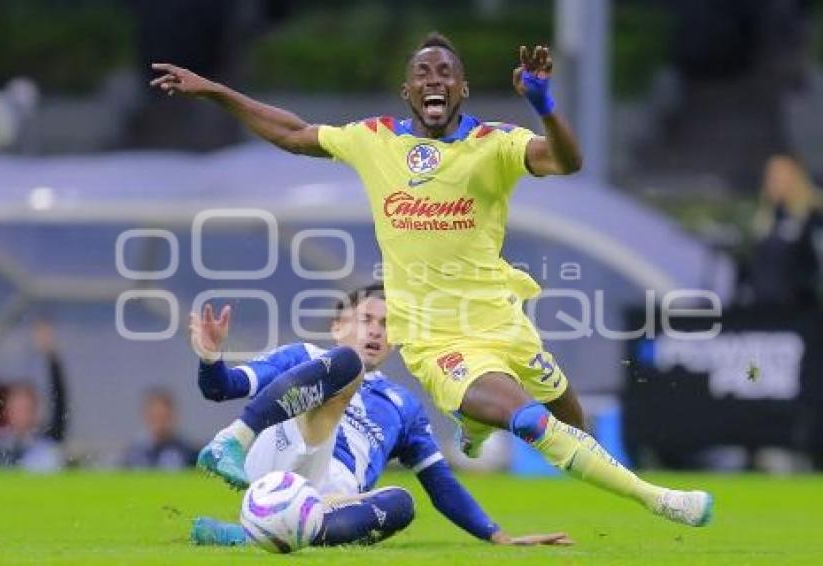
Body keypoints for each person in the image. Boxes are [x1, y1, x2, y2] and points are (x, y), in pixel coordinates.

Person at [152, 32, 712, 526]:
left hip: (501, 319)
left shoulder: (493, 143)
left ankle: (474, 427)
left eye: (445, 72)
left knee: (573, 417)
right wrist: (216, 91)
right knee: (531, 419)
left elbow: (565, 161)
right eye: (423, 72)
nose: (434, 79)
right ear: (408, 92)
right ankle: (658, 499)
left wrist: (545, 108)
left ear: (462, 89)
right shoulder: (374, 139)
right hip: (435, 339)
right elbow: (293, 132)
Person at [190, 284, 571, 547]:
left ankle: (255, 534)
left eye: (388, 325)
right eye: (366, 319)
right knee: (346, 366)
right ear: (338, 326)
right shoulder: (303, 356)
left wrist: (496, 535)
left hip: (330, 500)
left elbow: (439, 482)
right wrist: (210, 358)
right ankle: (231, 442)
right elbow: (221, 387)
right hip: (276, 460)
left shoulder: (404, 404)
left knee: (402, 502)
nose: (376, 331)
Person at [745, 154, 823, 309]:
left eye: (781, 177)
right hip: (763, 308)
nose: (774, 183)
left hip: (800, 309)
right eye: (771, 177)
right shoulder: (766, 219)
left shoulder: (812, 216)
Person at [0, 321, 67, 472]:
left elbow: (61, 403)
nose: (20, 413)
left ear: (34, 411)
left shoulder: (46, 441)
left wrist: (50, 355)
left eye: (25, 408)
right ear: (7, 409)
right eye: (16, 407)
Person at [122, 388, 198, 470]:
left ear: (172, 416)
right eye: (155, 417)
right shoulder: (133, 455)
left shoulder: (187, 453)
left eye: (163, 417)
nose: (160, 423)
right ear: (145, 416)